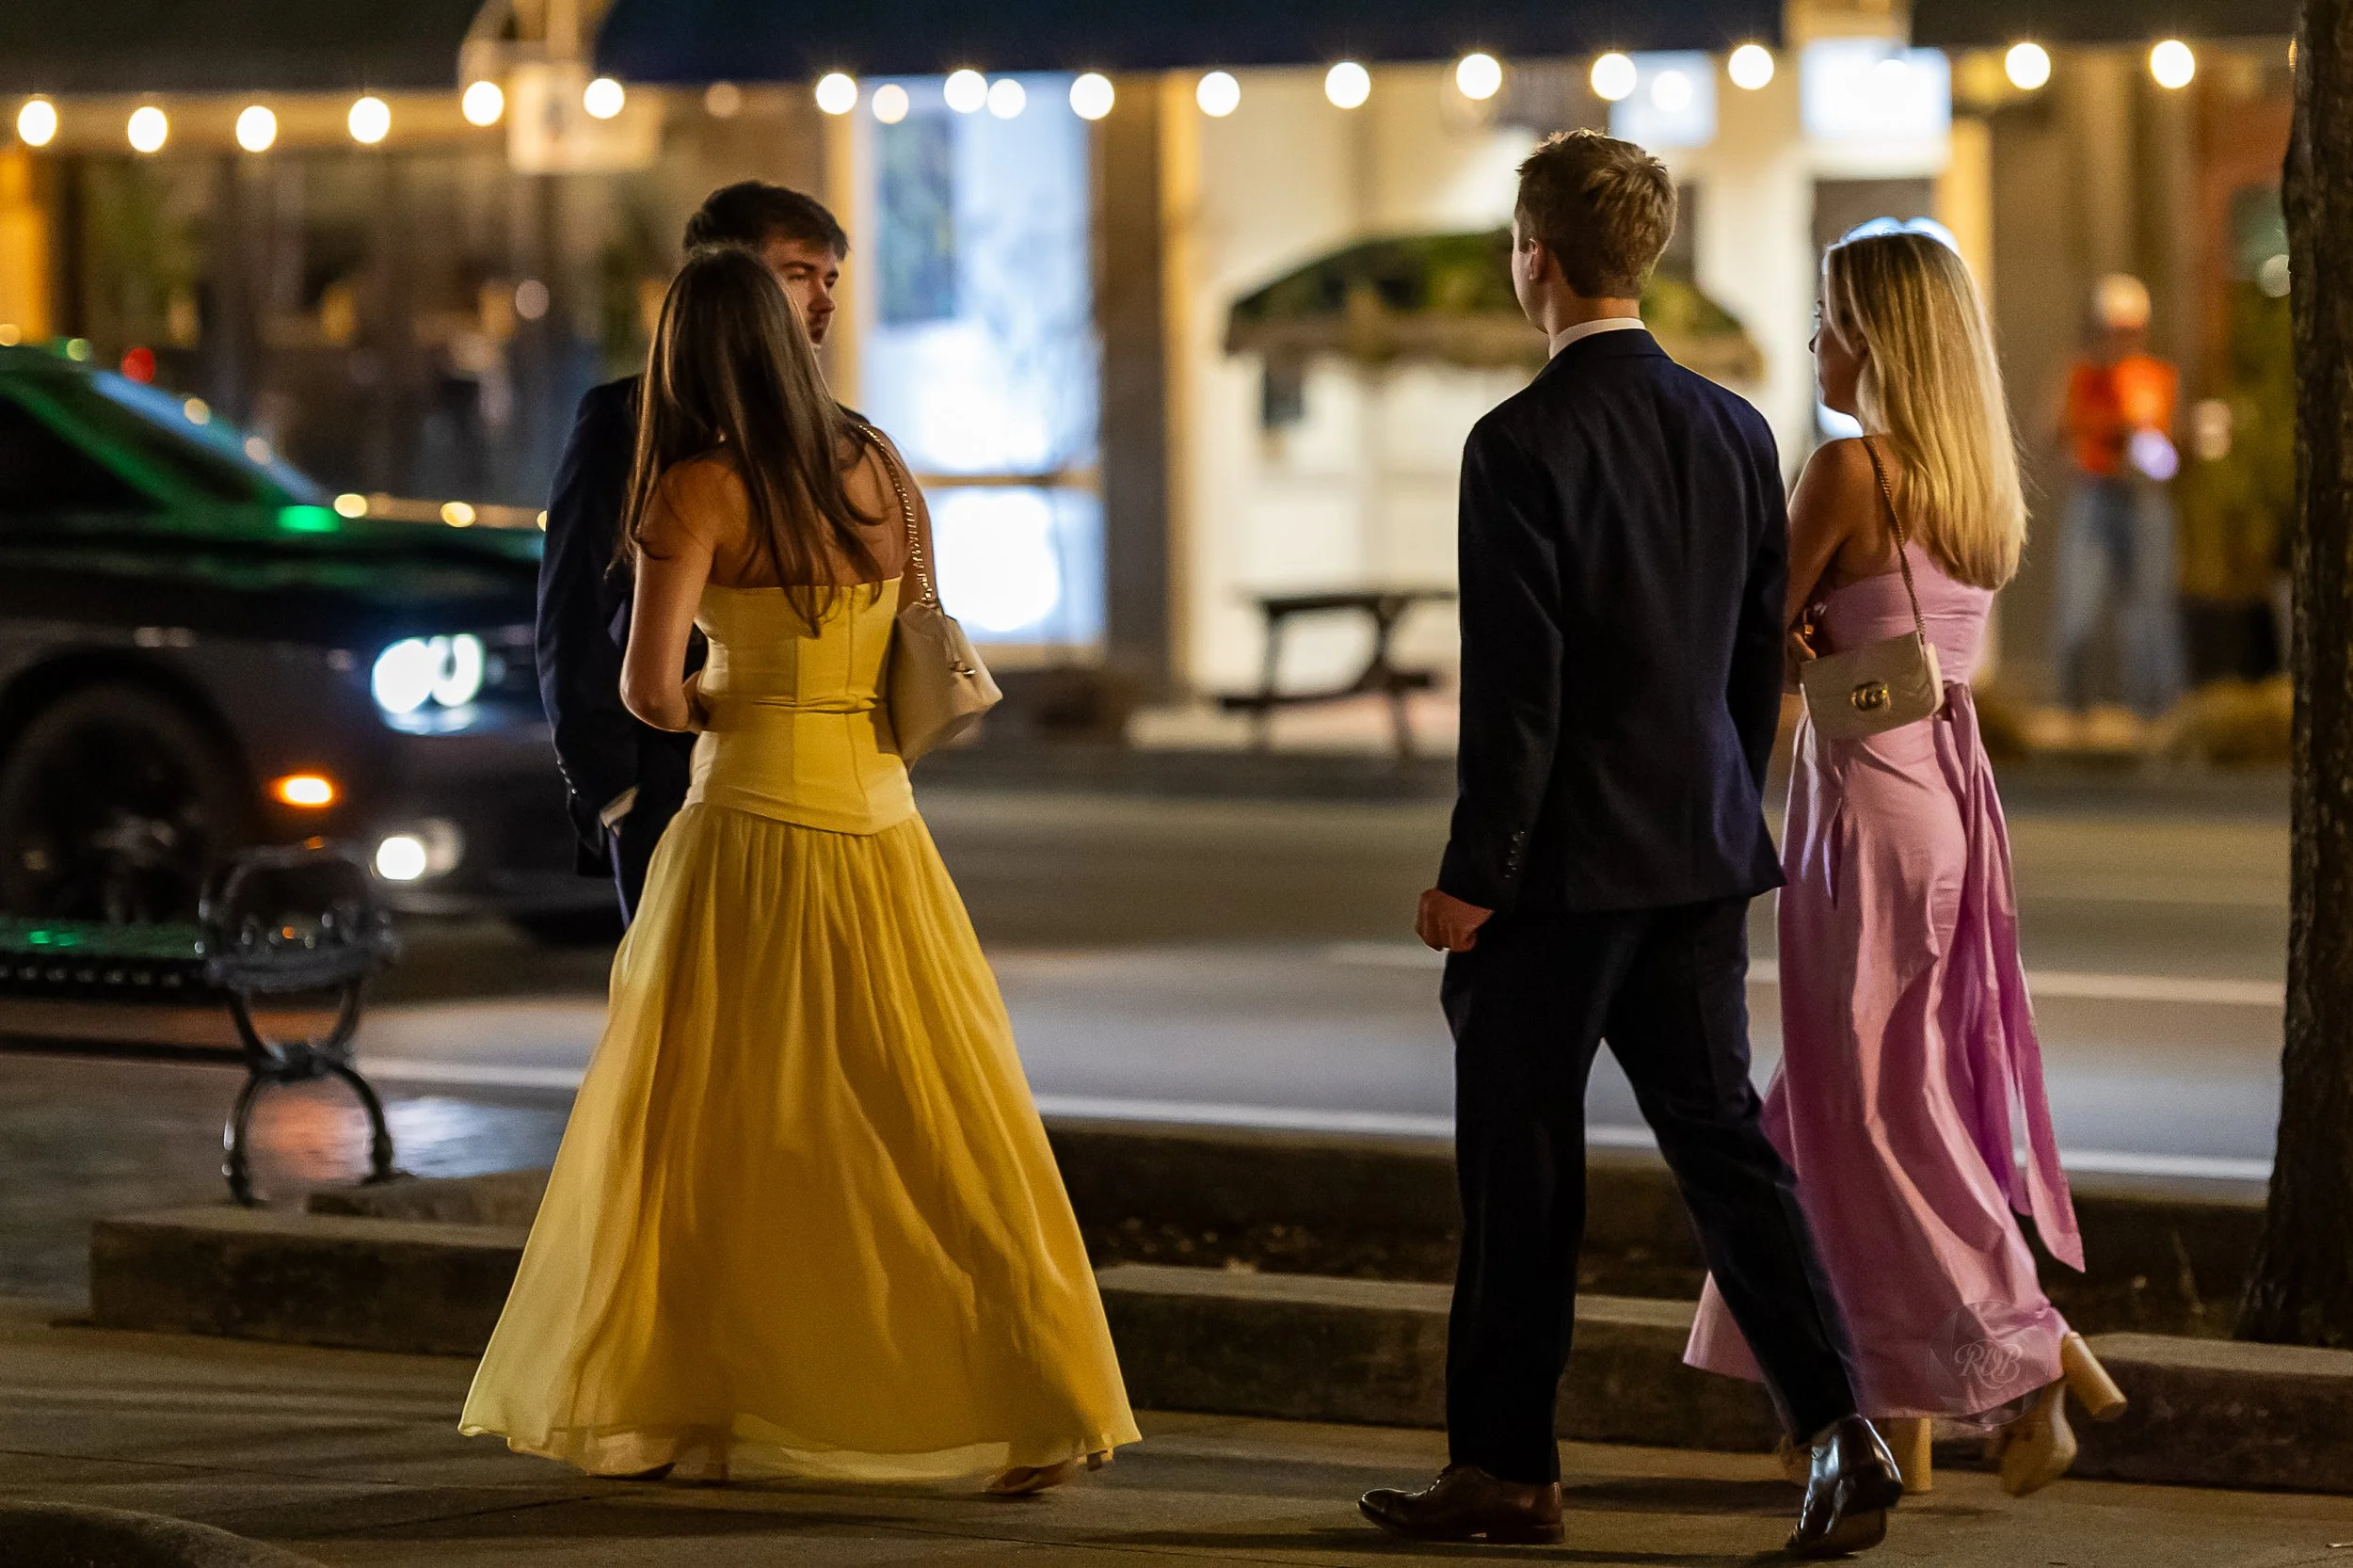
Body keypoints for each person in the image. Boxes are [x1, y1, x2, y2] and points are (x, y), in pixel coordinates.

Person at [462, 247, 1139, 1491]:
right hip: (884, 826)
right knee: (940, 1118)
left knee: (715, 1125)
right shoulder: (877, 463)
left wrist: (724, 696)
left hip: (751, 831)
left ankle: (698, 1400)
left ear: (691, 358)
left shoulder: (693, 492)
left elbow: (649, 688)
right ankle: (1033, 1401)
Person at [1356, 131, 1901, 1560]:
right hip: (1700, 849)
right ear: (1642, 256)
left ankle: (1506, 1464)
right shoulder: (1737, 431)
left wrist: (1476, 873)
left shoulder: (1519, 444)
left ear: (1534, 251)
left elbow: (1518, 694)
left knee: (1522, 1163)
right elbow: (1750, 663)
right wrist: (1723, 801)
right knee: (1726, 1146)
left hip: (1560, 876)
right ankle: (1840, 1422)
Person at [1684, 226, 2127, 1496]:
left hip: (1864, 811)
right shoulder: (1972, 479)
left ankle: (2025, 1353)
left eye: (1826, 315)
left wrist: (1782, 625)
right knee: (1871, 1088)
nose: (1816, 337)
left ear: (1873, 338)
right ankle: (1877, 1396)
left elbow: (1746, 627)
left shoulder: (1847, 468)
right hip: (1941, 797)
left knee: (1870, 1105)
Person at [537, 181, 849, 923]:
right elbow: (576, 613)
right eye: (798, 275)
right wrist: (616, 791)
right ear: (724, 283)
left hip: (818, 784)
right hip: (667, 784)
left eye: (830, 278)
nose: (823, 301)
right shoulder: (627, 420)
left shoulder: (847, 441)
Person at [2051, 273, 2185, 723]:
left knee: (2149, 613)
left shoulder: (2157, 376)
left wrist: (2145, 444)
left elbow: (2170, 441)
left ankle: (2156, 716)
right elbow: (2057, 429)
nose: (2120, 338)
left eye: (2128, 329)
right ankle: (2075, 711)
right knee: (2078, 611)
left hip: (2144, 500)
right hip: (2095, 495)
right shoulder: (2081, 376)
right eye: (2112, 328)